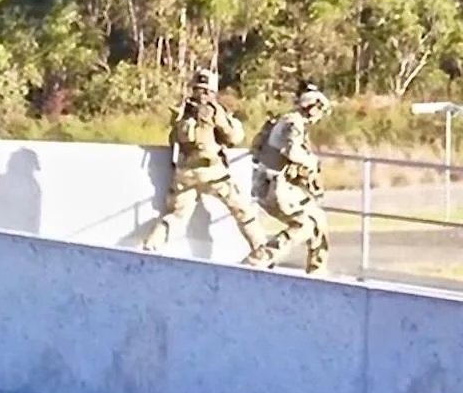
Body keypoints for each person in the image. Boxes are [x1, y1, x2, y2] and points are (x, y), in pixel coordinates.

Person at [140, 69, 269, 257]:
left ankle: (150, 246)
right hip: (213, 173)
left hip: (185, 174)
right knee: (242, 210)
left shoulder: (182, 112)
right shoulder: (213, 110)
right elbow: (234, 138)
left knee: (175, 215)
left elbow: (173, 139)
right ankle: (261, 250)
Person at [243, 83, 334, 275]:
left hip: (274, 185)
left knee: (318, 219)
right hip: (276, 187)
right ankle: (262, 257)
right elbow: (291, 151)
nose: (320, 116)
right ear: (313, 107)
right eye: (320, 110)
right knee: (305, 225)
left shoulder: (285, 120)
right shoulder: (293, 123)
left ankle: (317, 270)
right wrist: (311, 162)